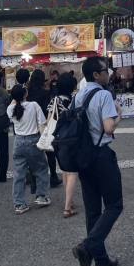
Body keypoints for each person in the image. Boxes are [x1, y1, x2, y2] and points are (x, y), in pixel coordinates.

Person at [71, 56, 122, 266]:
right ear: (96, 74)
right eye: (105, 70)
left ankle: (101, 260)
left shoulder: (78, 96)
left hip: (82, 157)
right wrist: (118, 115)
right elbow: (109, 127)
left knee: (93, 210)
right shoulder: (103, 95)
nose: (108, 73)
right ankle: (88, 246)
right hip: (101, 155)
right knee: (114, 205)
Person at [8, 84, 51, 214]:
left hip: (19, 141)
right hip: (33, 140)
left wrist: (15, 97)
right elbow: (42, 123)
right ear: (26, 94)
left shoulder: (10, 108)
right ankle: (41, 196)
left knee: (19, 174)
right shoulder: (34, 105)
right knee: (41, 168)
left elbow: (14, 103)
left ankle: (19, 204)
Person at [28, 69, 62, 188]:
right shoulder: (45, 93)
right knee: (49, 153)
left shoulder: (28, 93)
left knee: (33, 155)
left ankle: (33, 179)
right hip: (44, 125)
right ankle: (53, 176)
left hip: (31, 126)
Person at [53, 72, 80, 218]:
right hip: (69, 139)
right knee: (72, 173)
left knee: (64, 171)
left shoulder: (54, 100)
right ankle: (67, 208)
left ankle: (69, 201)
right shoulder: (72, 101)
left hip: (56, 139)